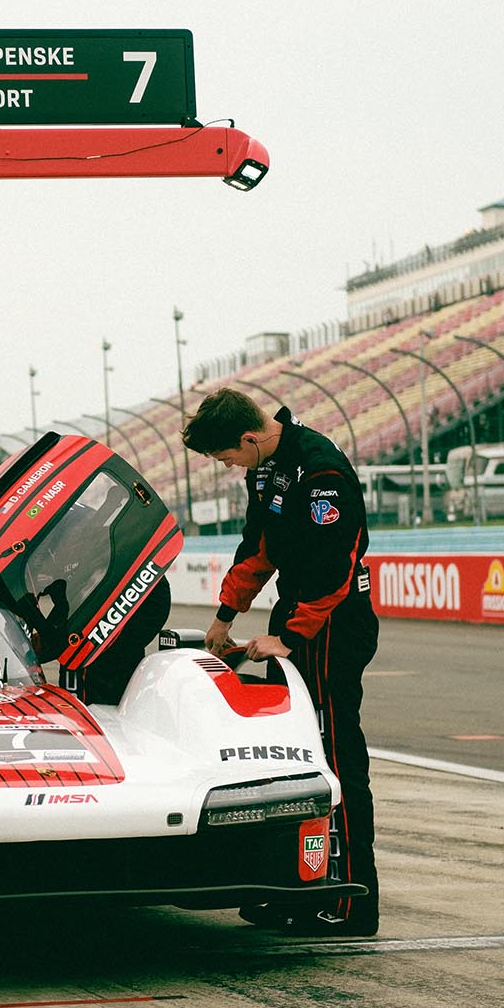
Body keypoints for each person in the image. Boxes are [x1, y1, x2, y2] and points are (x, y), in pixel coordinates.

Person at [182, 388, 381, 936]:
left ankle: (349, 904)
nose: (227, 466)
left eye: (226, 457)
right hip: (296, 616)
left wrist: (289, 637)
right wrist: (224, 615)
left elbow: (336, 564)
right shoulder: (267, 470)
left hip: (332, 623)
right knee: (291, 761)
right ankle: (296, 888)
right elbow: (259, 546)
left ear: (249, 438)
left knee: (336, 762)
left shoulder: (320, 470)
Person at [0, 479, 167, 705]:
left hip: (135, 595)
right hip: (128, 593)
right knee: (86, 669)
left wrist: (37, 643)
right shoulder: (39, 524)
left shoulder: (53, 531)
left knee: (86, 675)